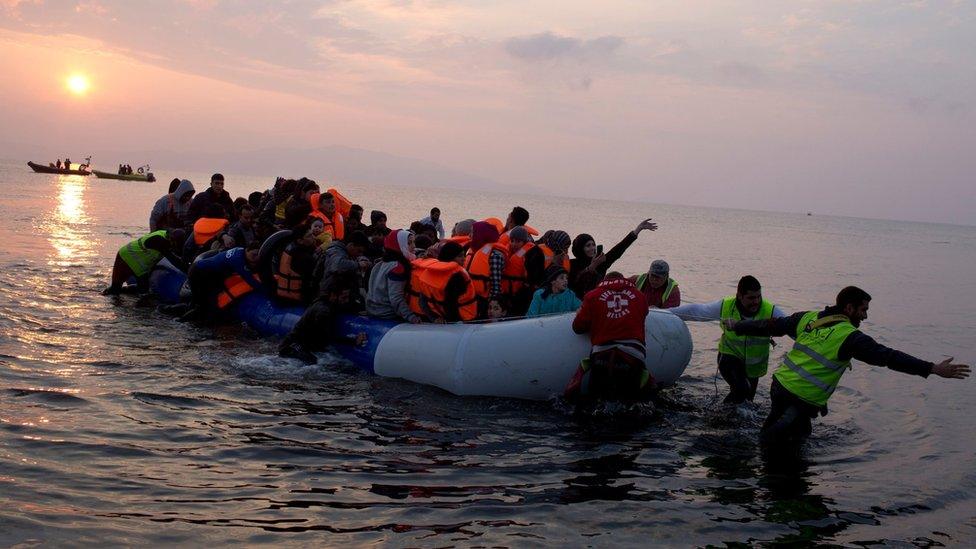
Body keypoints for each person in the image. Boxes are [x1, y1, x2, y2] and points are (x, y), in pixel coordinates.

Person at [724, 286, 970, 446]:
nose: (865, 316)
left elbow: (769, 326)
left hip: (780, 389)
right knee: (770, 442)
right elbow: (888, 357)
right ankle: (747, 466)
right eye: (863, 310)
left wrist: (738, 326)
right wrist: (932, 368)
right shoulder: (849, 337)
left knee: (799, 438)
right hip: (798, 400)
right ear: (849, 308)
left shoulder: (808, 318)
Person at [670, 275, 788, 404]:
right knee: (742, 389)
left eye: (759, 296)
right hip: (728, 358)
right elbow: (697, 311)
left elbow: (791, 326)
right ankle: (720, 416)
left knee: (746, 401)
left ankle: (728, 415)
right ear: (739, 296)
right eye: (751, 298)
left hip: (753, 368)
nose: (756, 301)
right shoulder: (725, 305)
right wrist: (664, 312)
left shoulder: (771, 311)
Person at [567, 272, 653, 403]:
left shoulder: (592, 296)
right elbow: (643, 314)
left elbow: (578, 328)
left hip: (602, 355)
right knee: (630, 404)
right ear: (623, 280)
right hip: (633, 356)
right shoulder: (640, 296)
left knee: (596, 403)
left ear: (604, 281)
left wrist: (580, 314)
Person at [278, 270, 367, 364]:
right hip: (292, 346)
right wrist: (354, 341)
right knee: (313, 362)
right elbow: (330, 336)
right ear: (333, 295)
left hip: (306, 345)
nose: (346, 300)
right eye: (343, 297)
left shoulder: (329, 302)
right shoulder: (323, 311)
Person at [569, 218, 658, 298]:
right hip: (574, 305)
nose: (592, 248)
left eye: (593, 245)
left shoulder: (601, 263)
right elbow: (575, 284)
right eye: (588, 246)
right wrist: (591, 268)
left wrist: (638, 230)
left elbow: (619, 249)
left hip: (595, 303)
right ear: (580, 248)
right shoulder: (571, 264)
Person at [181, 241, 264, 320]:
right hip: (199, 273)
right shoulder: (238, 260)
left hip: (205, 272)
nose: (256, 258)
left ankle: (189, 315)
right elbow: (250, 279)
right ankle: (187, 321)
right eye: (254, 255)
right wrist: (267, 291)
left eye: (258, 256)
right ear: (247, 250)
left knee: (201, 301)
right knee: (206, 304)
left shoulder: (240, 250)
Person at [407, 241, 478, 322]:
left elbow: (422, 302)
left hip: (440, 320)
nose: (464, 259)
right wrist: (453, 322)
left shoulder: (429, 272)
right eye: (459, 256)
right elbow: (451, 305)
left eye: (464, 255)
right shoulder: (457, 277)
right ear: (450, 257)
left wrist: (434, 318)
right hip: (462, 321)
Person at [102, 229, 186, 295]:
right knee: (116, 289)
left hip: (139, 264)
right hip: (125, 257)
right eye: (174, 244)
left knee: (143, 289)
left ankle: (131, 301)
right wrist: (188, 271)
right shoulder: (159, 240)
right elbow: (173, 259)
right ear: (170, 238)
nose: (175, 246)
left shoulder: (167, 234)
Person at [366, 229, 422, 323]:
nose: (414, 246)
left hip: (372, 309)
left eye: (413, 242)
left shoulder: (380, 263)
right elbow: (396, 297)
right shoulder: (398, 267)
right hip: (386, 313)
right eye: (409, 243)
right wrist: (411, 317)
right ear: (400, 245)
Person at [315, 231, 371, 308]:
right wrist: (358, 264)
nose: (359, 254)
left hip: (341, 296)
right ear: (351, 245)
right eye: (359, 251)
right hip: (328, 297)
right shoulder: (335, 251)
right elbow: (337, 266)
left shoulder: (346, 253)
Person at [269, 221, 321, 304]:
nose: (313, 237)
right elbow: (314, 278)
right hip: (294, 299)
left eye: (312, 234)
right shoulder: (302, 257)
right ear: (300, 241)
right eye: (309, 236)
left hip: (286, 295)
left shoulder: (291, 247)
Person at [464, 220, 507, 314]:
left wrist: (490, 308)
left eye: (472, 232)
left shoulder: (495, 255)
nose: (469, 235)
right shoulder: (473, 251)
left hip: (484, 302)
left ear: (480, 235)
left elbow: (496, 286)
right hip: (470, 300)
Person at [500, 226, 538, 315]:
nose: (513, 244)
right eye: (512, 241)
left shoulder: (529, 255)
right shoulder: (505, 252)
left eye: (517, 241)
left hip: (519, 294)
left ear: (524, 242)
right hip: (505, 293)